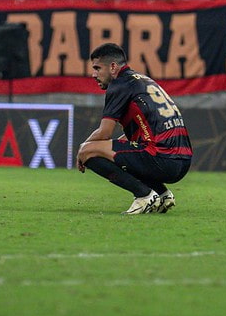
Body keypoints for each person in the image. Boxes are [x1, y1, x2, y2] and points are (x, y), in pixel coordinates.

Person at [77, 43, 192, 214]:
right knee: (125, 149)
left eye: (97, 68)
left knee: (88, 151)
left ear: (113, 67)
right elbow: (141, 132)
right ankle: (162, 194)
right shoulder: (143, 80)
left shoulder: (119, 85)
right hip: (183, 161)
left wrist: (82, 151)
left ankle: (143, 195)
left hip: (163, 159)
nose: (94, 74)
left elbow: (104, 132)